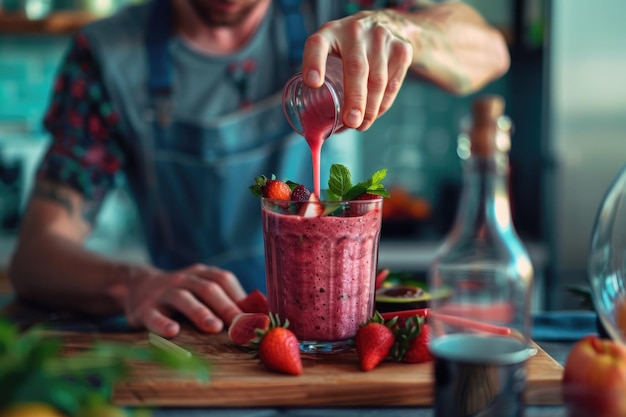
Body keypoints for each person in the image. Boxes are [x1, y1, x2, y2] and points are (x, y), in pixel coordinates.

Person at [8, 0, 509, 338]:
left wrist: (405, 29)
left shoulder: (335, 10)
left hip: (333, 337)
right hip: (204, 337)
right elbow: (35, 257)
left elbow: (489, 51)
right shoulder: (106, 56)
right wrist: (133, 284)